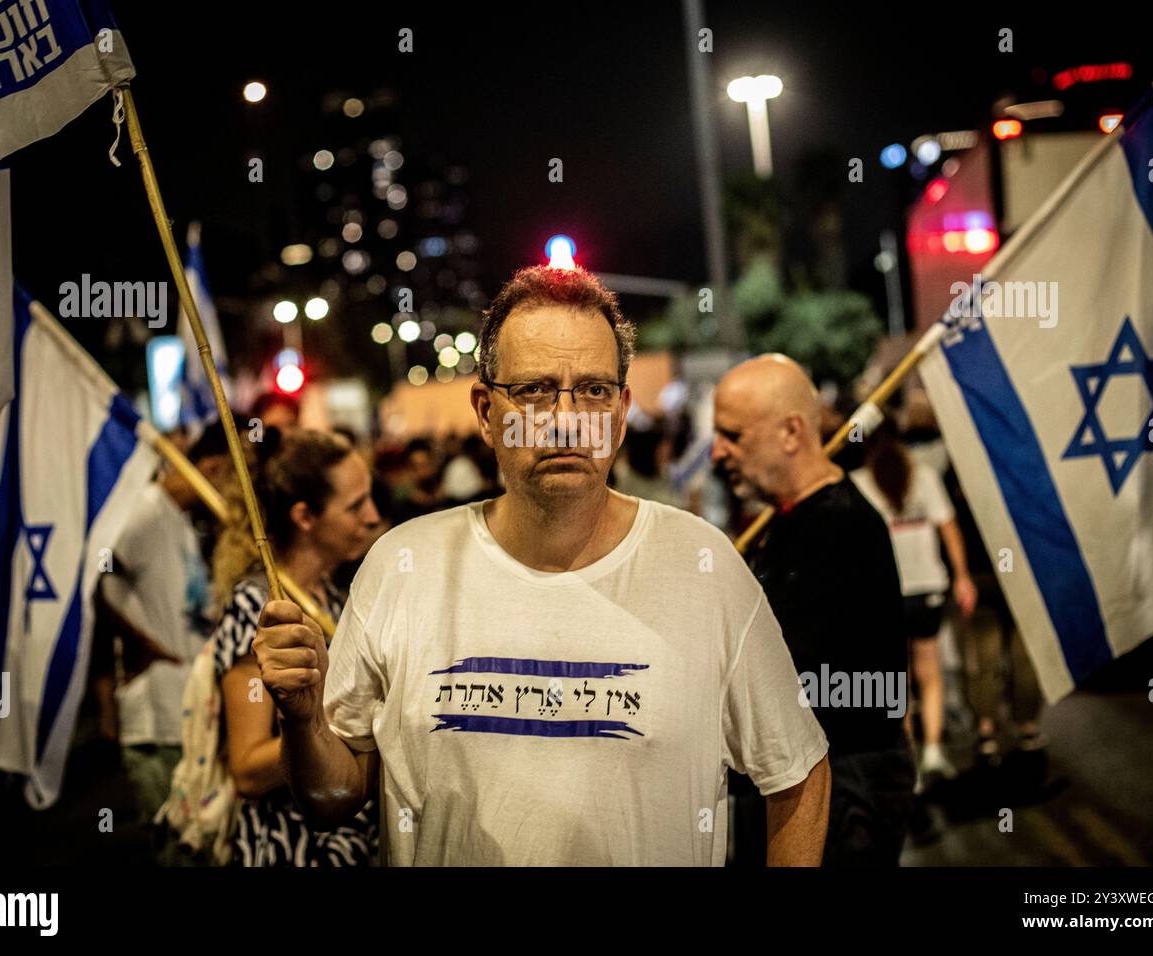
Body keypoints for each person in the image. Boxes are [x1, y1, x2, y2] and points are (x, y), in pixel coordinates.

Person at [254, 265, 830, 866]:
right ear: (484, 411)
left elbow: (798, 773)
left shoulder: (705, 569)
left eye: (593, 390)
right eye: (533, 390)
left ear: (621, 410)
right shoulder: (402, 568)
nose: (565, 417)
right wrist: (302, 723)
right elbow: (332, 797)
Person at [712, 354, 912, 866]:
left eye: (732, 435)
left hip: (837, 786)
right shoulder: (789, 522)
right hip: (800, 779)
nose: (717, 452)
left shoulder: (842, 529)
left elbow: (786, 673)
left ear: (791, 432)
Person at [211, 427, 382, 866]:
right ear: (305, 517)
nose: (372, 517)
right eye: (356, 505)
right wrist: (359, 724)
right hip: (292, 846)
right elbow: (247, 768)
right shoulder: (261, 608)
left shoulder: (336, 596)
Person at [94, 426, 230, 856]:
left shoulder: (178, 520)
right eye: (233, 476)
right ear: (210, 468)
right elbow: (93, 569)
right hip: (156, 716)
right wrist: (136, 641)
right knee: (177, 848)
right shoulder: (147, 511)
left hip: (184, 715)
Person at [850, 420, 977, 791]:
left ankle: (909, 761)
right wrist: (962, 575)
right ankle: (934, 749)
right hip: (927, 588)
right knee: (930, 672)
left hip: (884, 595)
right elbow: (949, 528)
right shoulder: (923, 476)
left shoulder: (858, 483)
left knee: (897, 682)